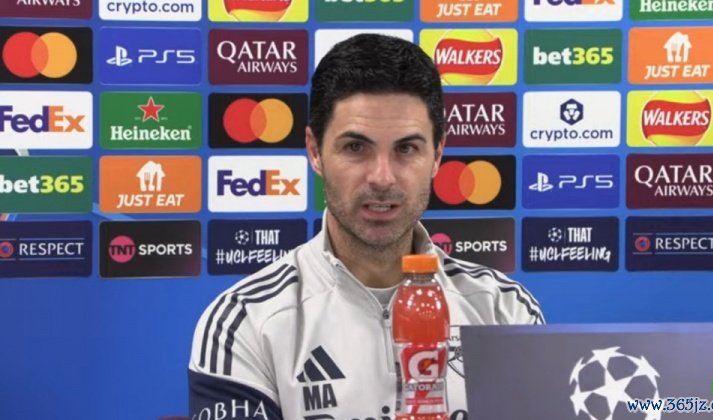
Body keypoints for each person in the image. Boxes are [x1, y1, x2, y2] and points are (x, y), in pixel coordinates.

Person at [188, 33, 544, 420]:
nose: (382, 177)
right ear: (315, 151)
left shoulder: (504, 310)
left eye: (406, 148)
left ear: (437, 155)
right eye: (356, 148)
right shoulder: (245, 322)